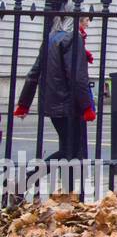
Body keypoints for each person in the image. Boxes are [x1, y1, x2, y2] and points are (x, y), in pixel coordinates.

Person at [14, 14, 94, 161]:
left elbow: (34, 72)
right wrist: (87, 106)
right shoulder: (73, 39)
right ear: (76, 21)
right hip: (68, 104)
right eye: (86, 20)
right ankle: (28, 177)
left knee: (69, 150)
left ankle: (31, 178)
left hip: (52, 103)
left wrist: (24, 104)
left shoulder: (50, 38)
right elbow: (77, 77)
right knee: (71, 150)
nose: (88, 23)